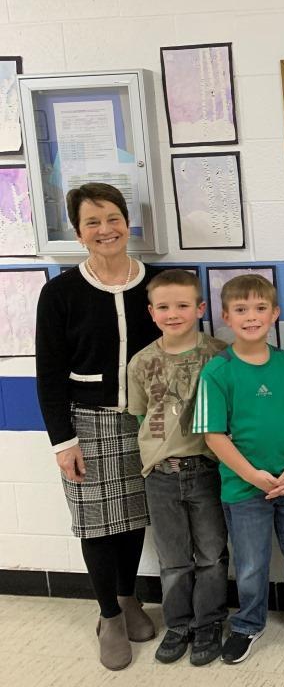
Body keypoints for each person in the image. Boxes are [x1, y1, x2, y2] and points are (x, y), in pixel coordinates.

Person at [35, 182, 159, 670]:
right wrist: (62, 441)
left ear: (127, 221)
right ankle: (108, 614)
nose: (105, 229)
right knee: (97, 522)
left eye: (112, 218)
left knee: (133, 515)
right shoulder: (60, 292)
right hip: (87, 423)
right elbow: (48, 374)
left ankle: (129, 597)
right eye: (92, 222)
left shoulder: (157, 283)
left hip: (146, 422)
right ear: (78, 232)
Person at [192, 274, 284, 664]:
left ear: (275, 313)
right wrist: (253, 475)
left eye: (260, 308)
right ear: (225, 317)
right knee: (251, 563)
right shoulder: (217, 372)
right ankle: (248, 624)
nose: (251, 317)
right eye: (241, 310)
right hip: (244, 487)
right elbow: (213, 436)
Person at [126, 269, 228, 666]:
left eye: (183, 305)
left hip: (206, 468)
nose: (174, 313)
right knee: (173, 560)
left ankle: (210, 622)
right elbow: (139, 415)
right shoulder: (142, 362)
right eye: (164, 307)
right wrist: (156, 456)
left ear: (200, 308)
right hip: (160, 475)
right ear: (151, 312)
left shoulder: (218, 355)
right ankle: (180, 624)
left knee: (211, 555)